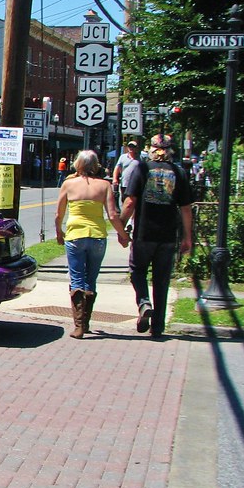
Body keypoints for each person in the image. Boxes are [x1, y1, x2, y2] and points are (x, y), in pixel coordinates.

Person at [120, 134, 194, 338]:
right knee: (162, 280)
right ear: (171, 150)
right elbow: (186, 208)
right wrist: (188, 237)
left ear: (150, 149)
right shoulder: (179, 172)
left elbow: (130, 202)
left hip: (144, 233)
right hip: (168, 235)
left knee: (137, 271)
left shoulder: (142, 168)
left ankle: (144, 302)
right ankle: (158, 326)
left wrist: (121, 227)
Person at [56, 150, 130, 338]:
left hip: (75, 235)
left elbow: (59, 214)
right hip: (97, 236)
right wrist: (123, 235)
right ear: (95, 166)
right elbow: (112, 215)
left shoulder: (68, 184)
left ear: (77, 165)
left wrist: (59, 232)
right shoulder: (104, 186)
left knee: (77, 279)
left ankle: (79, 326)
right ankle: (85, 322)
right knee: (91, 279)